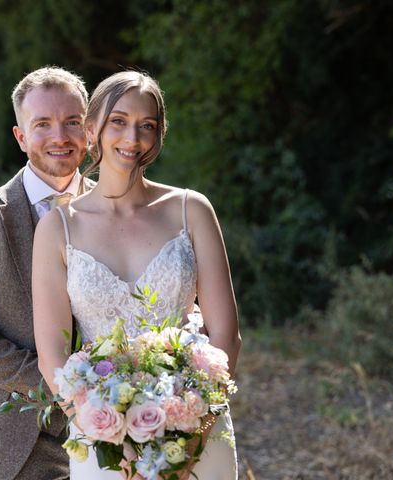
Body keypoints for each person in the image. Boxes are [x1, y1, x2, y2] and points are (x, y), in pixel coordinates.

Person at [32, 71, 242, 479]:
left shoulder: (191, 211)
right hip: (103, 446)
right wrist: (115, 447)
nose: (132, 138)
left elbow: (226, 338)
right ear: (91, 129)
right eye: (119, 122)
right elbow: (51, 358)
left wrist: (189, 443)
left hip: (199, 431)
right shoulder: (58, 228)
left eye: (147, 126)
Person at [0, 66, 93, 480]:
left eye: (72, 121)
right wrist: (62, 389)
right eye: (42, 124)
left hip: (115, 424)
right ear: (21, 136)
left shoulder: (118, 211)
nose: (59, 135)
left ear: (91, 129)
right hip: (16, 430)